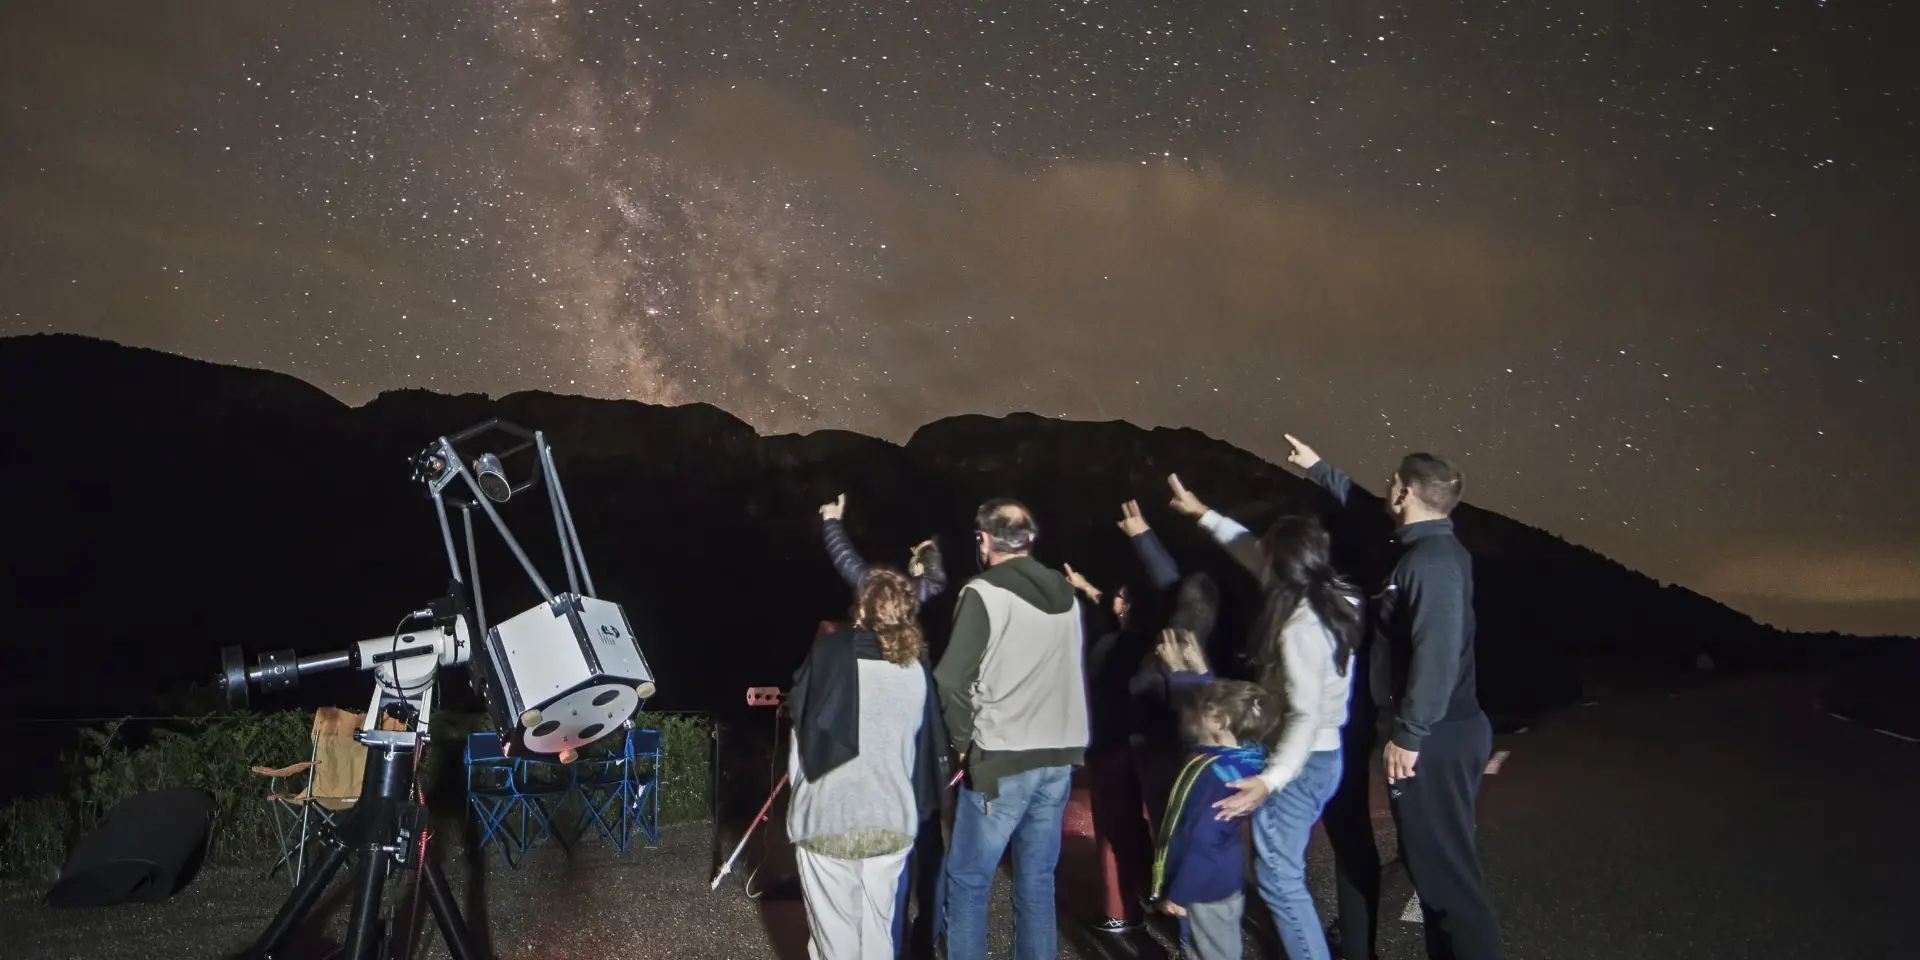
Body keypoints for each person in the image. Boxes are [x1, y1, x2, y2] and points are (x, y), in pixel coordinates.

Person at [1283, 434, 1504, 960]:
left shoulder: (1430, 565)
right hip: (1440, 733)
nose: (1386, 493)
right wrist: (1319, 467)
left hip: (1438, 738)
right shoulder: (1423, 547)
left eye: (1392, 486)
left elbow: (1438, 653)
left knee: (1450, 887)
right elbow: (1363, 509)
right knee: (1433, 877)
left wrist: (1410, 734)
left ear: (1402, 492)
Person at [1168, 474, 1361, 960]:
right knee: (1276, 871)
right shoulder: (1333, 592)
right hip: (1321, 755)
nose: (1261, 561)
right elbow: (1251, 551)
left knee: (1279, 879)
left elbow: (1303, 715)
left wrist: (1270, 781)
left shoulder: (1300, 629)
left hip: (1304, 760)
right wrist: (1201, 513)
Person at [934, 498, 1088, 960]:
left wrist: (963, 742)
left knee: (968, 881)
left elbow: (949, 679)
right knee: (1037, 881)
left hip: (1003, 757)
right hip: (1059, 755)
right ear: (1031, 541)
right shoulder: (1067, 595)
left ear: (983, 540)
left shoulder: (983, 593)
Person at [786, 567, 951, 960]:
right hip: (891, 822)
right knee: (878, 937)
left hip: (827, 820)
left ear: (861, 608)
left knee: (835, 945)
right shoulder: (915, 671)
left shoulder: (828, 652)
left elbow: (802, 722)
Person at [816, 492, 949, 958]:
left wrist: (832, 522)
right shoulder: (915, 661)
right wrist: (927, 557)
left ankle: (891, 946)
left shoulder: (856, 658)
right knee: (925, 855)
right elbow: (932, 580)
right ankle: (925, 941)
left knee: (887, 877)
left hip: (881, 785)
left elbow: (854, 570)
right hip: (920, 775)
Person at [1059, 499, 1181, 935]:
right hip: (1147, 746)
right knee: (1158, 830)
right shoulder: (1154, 641)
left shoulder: (1112, 647)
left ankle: (1120, 910)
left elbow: (1093, 684)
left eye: (1120, 598)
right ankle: (1164, 903)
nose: (1114, 599)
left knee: (1114, 831)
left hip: (1111, 747)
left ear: (1127, 605)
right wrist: (1087, 587)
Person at [1150, 679, 1274, 960]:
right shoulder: (1236, 760)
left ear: (1221, 721)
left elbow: (1205, 841)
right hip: (1215, 880)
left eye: (1198, 712)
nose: (1188, 716)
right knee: (1207, 946)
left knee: (1215, 951)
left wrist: (1179, 893)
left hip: (1204, 887)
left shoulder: (1218, 778)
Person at [820, 493, 947, 607]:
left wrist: (831, 521)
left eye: (915, 552)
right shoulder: (920, 596)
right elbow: (934, 583)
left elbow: (852, 568)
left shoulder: (893, 597)